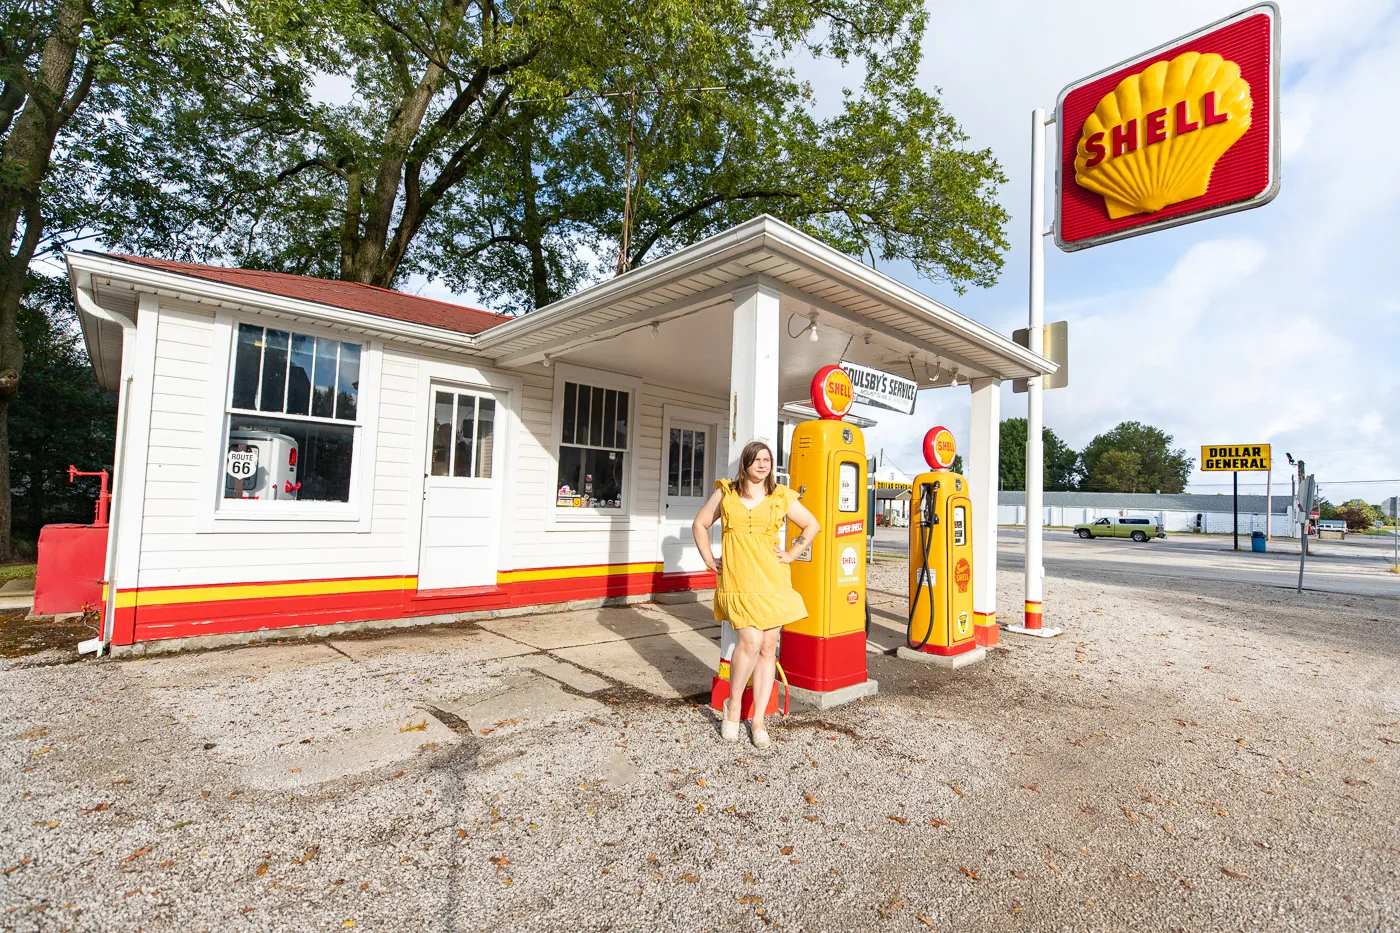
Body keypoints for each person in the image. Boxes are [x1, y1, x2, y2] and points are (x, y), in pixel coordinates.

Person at [692, 440, 820, 749]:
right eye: (756, 459)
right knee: (749, 641)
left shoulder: (780, 496)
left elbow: (812, 524)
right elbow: (699, 523)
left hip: (772, 581)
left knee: (767, 647)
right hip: (738, 580)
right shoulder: (727, 492)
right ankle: (734, 706)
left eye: (767, 460)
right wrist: (709, 560)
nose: (762, 465)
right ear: (745, 463)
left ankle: (759, 720)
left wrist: (791, 553)